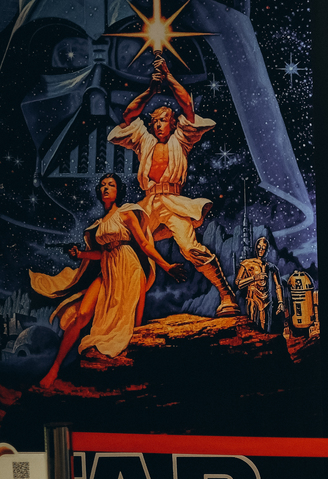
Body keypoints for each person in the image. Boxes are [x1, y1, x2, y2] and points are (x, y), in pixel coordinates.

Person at [108, 53, 241, 318]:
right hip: (148, 205)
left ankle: (226, 295)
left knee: (190, 249)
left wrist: (168, 77)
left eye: (163, 120)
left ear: (172, 123)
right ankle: (120, 310)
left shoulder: (180, 139)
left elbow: (188, 108)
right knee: (123, 244)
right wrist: (150, 90)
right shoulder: (144, 140)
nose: (158, 125)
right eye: (155, 121)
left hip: (172, 203)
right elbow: (128, 116)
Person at [30, 173, 187, 388]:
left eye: (111, 185)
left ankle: (131, 378)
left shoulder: (126, 213)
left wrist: (166, 266)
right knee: (82, 314)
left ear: (118, 190)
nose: (105, 188)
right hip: (107, 270)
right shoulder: (99, 224)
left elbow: (144, 244)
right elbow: (102, 253)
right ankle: (55, 368)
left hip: (129, 269)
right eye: (102, 185)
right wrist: (80, 254)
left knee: (132, 326)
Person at [236, 236, 287, 332]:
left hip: (266, 299)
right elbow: (238, 283)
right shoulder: (247, 264)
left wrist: (280, 302)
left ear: (267, 250)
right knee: (252, 326)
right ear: (256, 248)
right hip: (253, 298)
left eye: (263, 248)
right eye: (259, 247)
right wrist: (254, 278)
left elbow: (278, 286)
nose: (260, 250)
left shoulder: (271, 267)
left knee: (265, 327)